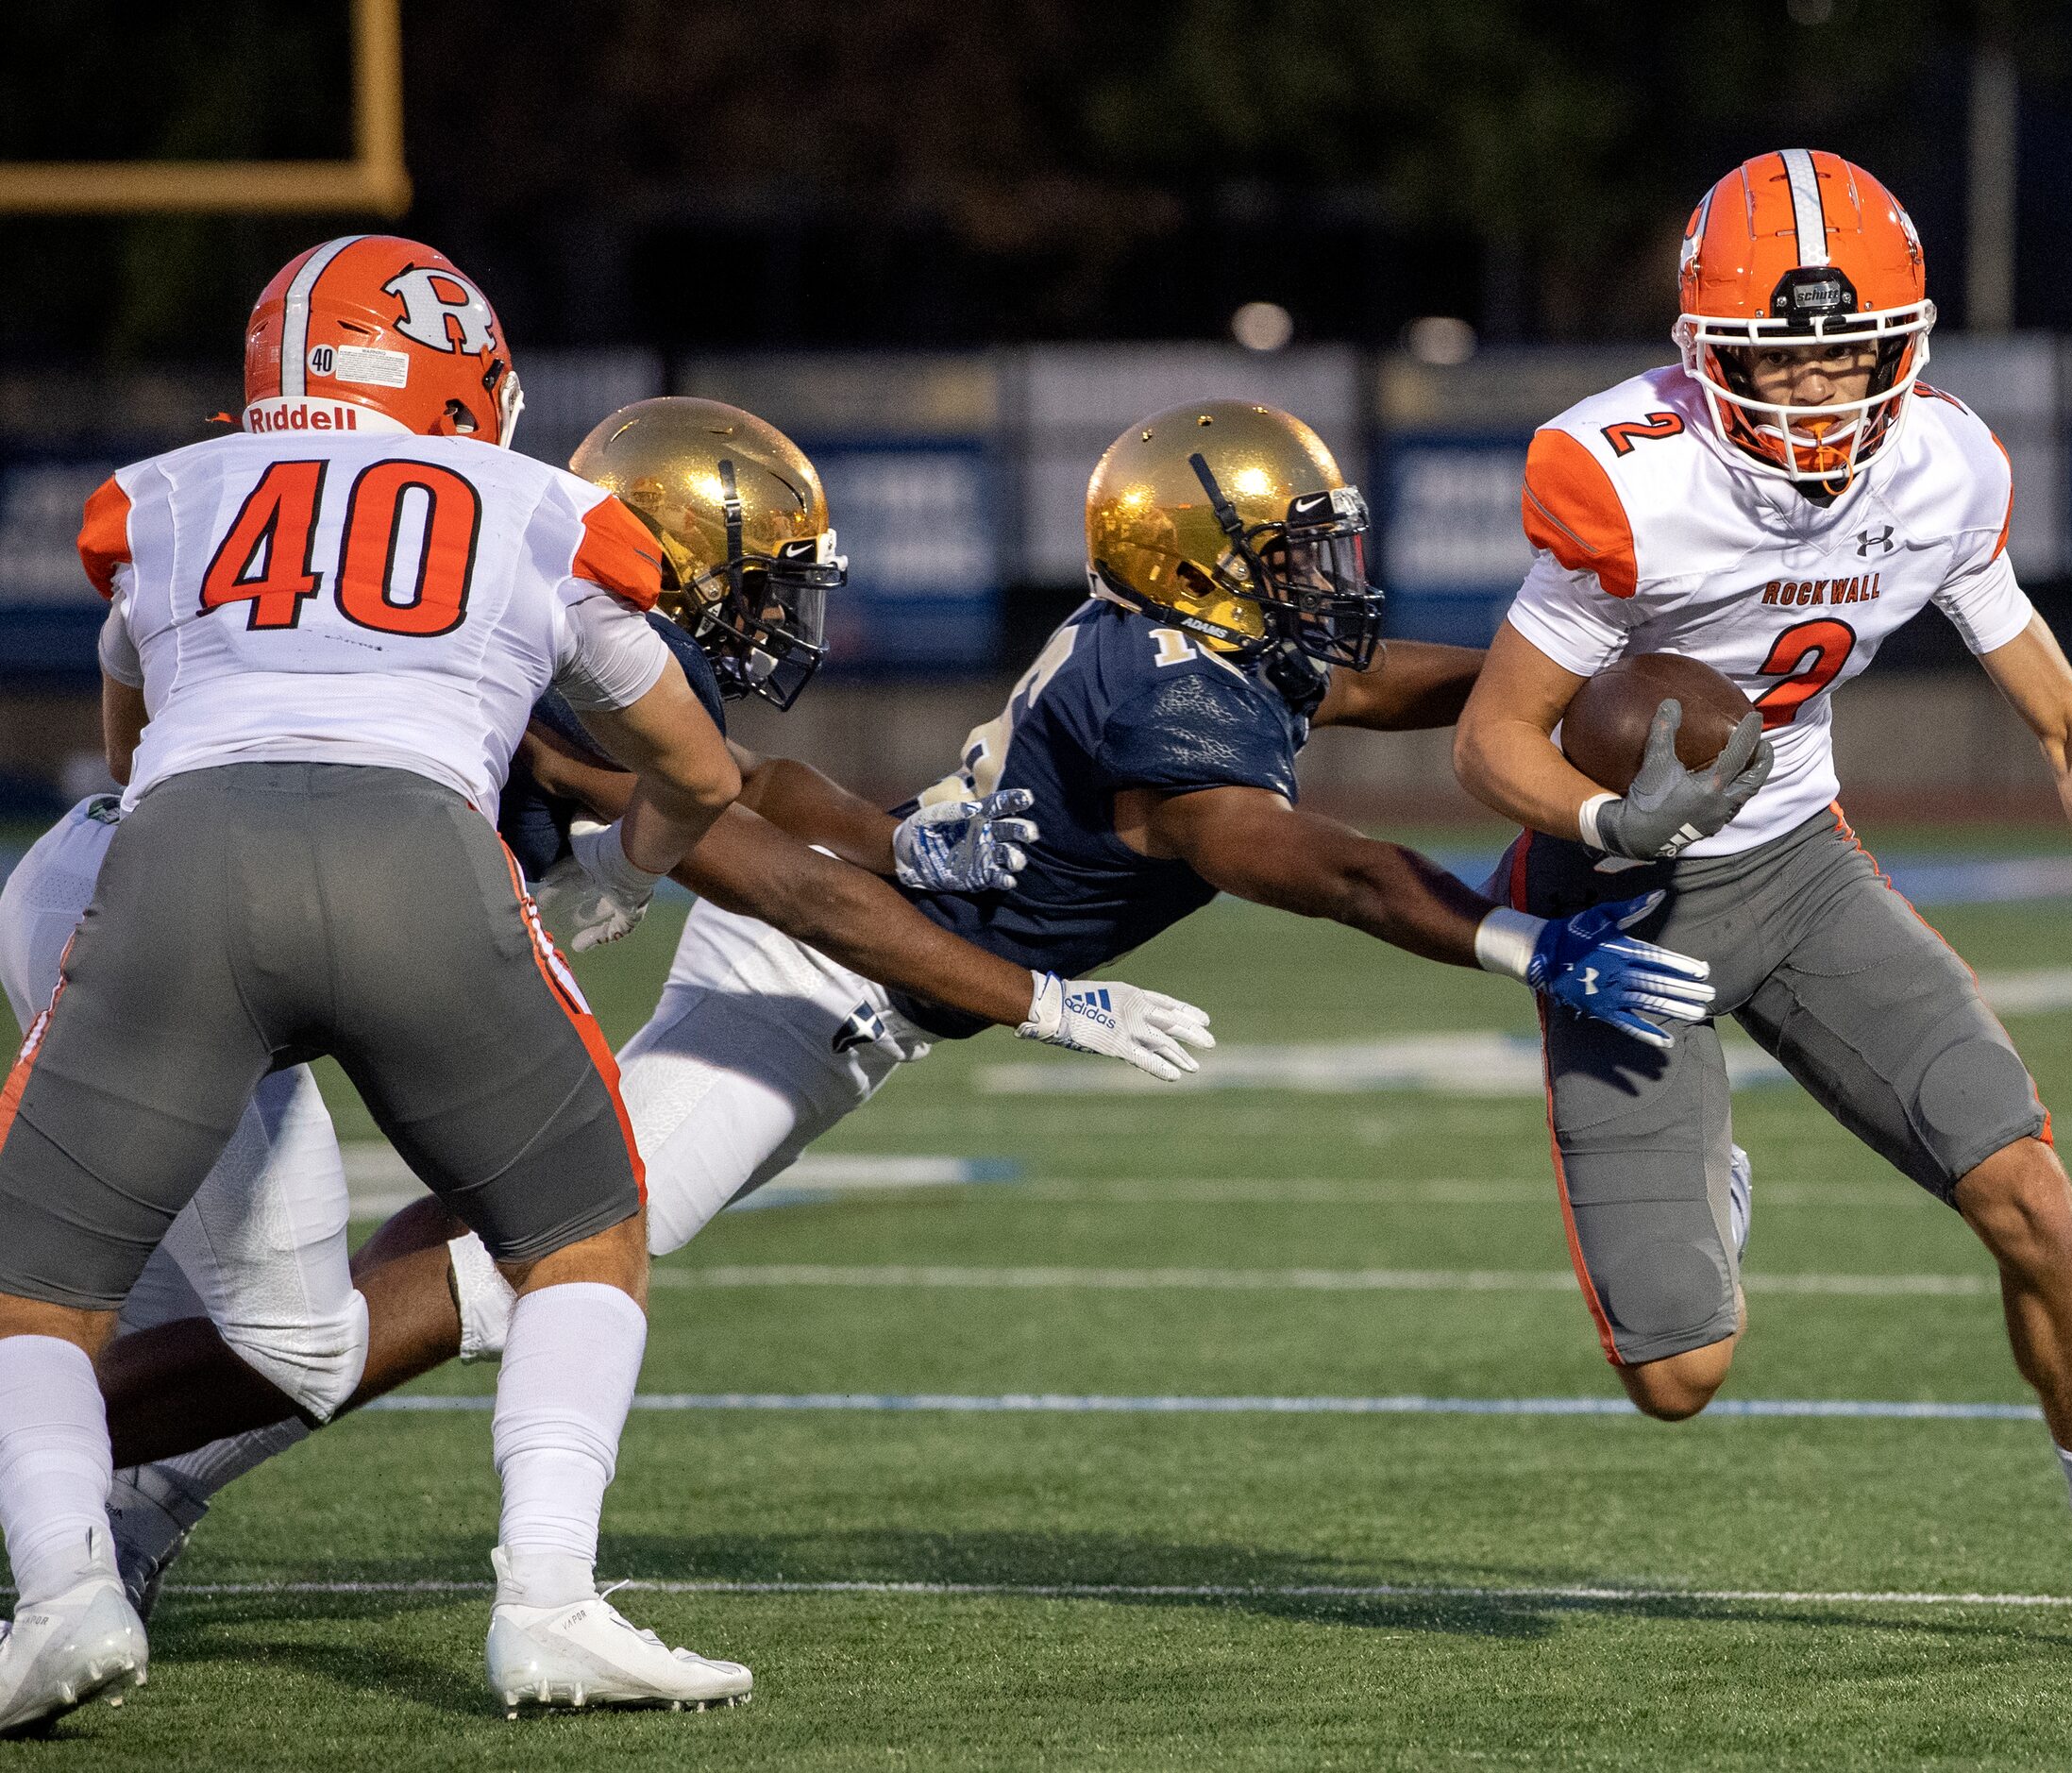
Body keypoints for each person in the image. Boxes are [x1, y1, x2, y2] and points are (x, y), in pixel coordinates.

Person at [85, 398, 1716, 1605]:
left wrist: (1554, 663)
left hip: (807, 946)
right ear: (1202, 566)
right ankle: (112, 1471)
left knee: (452, 1251)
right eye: (1295, 559)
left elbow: (1380, 681)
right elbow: (1321, 865)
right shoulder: (1161, 695)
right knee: (497, 1279)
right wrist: (1515, 944)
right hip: (802, 974)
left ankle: (119, 1470)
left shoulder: (1199, 648)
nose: (1327, 588)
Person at [0, 394, 1218, 1635]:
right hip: (177, 923)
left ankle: (102, 1530)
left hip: (156, 901)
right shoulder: (578, 650)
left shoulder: (511, 609)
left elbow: (755, 796)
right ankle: (143, 1521)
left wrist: (895, 838)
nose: (780, 612)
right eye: (760, 579)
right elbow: (781, 877)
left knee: (228, 1305)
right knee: (346, 1314)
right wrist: (1036, 994)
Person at [1450, 152, 2072, 1661]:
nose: (1821, 394)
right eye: (1782, 359)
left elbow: (2064, 716)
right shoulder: (1626, 474)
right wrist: (1597, 814)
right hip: (1623, 905)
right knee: (1680, 1372)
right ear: (1708, 355)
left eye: (1849, 354)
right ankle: (1711, 1192)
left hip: (1801, 866)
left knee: (2031, 1193)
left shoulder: (1940, 467)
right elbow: (1490, 735)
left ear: (1904, 348)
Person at [0, 232, 760, 1731]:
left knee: (39, 1288)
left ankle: (63, 1592)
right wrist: (621, 871)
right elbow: (697, 764)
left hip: (180, 864)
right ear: (446, 377)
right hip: (419, 855)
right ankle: (548, 1602)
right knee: (582, 1241)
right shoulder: (536, 505)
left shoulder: (163, 500)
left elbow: (129, 751)